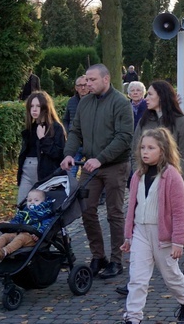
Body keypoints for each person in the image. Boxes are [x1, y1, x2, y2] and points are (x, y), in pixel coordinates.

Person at [60, 63, 133, 280]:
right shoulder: (85, 102)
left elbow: (124, 137)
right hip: (89, 167)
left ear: (106, 79)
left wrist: (100, 159)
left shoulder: (120, 103)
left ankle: (117, 260)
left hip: (114, 166)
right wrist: (69, 153)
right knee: (87, 209)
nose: (87, 84)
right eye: (85, 81)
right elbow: (75, 131)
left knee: (114, 213)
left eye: (92, 80)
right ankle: (98, 256)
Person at [120, 128, 184, 324]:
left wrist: (178, 241)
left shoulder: (172, 176)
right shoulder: (137, 175)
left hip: (163, 233)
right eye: (143, 147)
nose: (145, 152)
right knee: (137, 277)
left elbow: (181, 212)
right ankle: (133, 317)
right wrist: (128, 235)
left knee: (171, 275)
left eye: (151, 148)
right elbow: (132, 207)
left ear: (162, 150)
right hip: (140, 231)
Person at [0, 189, 55, 262]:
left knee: (21, 238)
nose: (32, 202)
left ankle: (3, 252)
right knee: (5, 236)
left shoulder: (46, 213)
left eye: (36, 200)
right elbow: (16, 221)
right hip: (19, 232)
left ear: (44, 201)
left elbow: (47, 225)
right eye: (29, 200)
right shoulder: (24, 212)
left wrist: (39, 233)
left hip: (32, 237)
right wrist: (9, 224)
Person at [17, 91, 66, 205]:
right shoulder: (31, 128)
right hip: (27, 172)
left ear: (45, 107)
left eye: (38, 106)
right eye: (31, 106)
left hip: (45, 174)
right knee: (22, 205)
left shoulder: (56, 128)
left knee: (42, 207)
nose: (34, 109)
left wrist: (43, 139)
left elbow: (59, 154)